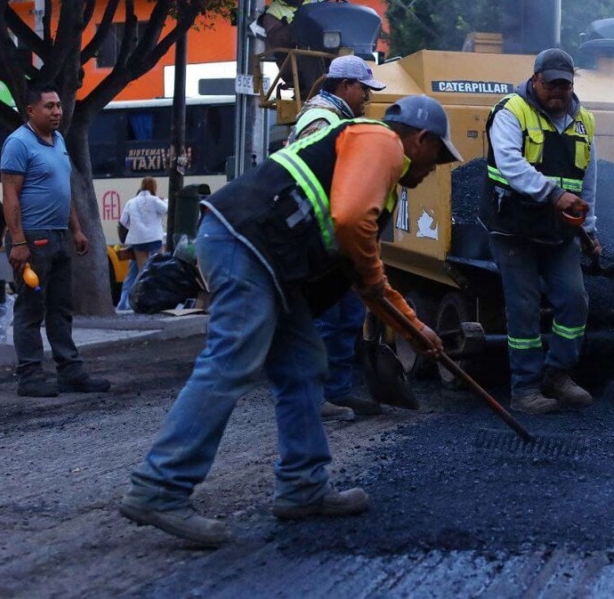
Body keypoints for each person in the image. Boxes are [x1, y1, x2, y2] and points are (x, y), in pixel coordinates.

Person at [120, 95, 460, 547]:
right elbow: (350, 221)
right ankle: (159, 488)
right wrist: (405, 318)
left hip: (269, 257)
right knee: (231, 361)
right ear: (421, 140)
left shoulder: (373, 171)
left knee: (302, 364)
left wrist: (415, 329)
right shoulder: (381, 142)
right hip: (247, 242)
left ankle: (303, 487)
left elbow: (361, 276)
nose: (435, 169)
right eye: (438, 157)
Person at [480, 48, 600, 415]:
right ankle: (525, 388)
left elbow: (588, 181)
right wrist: (554, 194)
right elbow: (510, 165)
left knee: (575, 300)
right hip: (513, 227)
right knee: (524, 307)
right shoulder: (510, 111)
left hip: (560, 230)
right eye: (551, 85)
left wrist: (590, 230)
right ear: (535, 79)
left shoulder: (584, 121)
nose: (558, 92)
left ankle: (558, 375)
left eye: (564, 85)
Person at [291, 55, 388, 422]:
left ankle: (338, 391)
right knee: (326, 319)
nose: (366, 96)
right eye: (363, 89)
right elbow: (317, 181)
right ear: (344, 86)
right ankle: (314, 398)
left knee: (348, 315)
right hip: (320, 236)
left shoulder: (338, 119)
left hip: (337, 236)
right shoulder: (321, 121)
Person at [0, 84, 111, 398]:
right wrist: (19, 241)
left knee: (61, 308)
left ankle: (70, 372)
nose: (57, 112)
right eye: (49, 106)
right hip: (33, 240)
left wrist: (76, 230)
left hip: (59, 237)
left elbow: (65, 192)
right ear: (31, 110)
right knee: (31, 308)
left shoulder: (59, 140)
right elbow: (9, 195)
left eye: (59, 106)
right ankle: (30, 376)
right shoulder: (18, 143)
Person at [119, 177, 168, 273]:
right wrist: (164, 200)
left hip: (138, 241)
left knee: (143, 271)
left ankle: (145, 286)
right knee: (158, 269)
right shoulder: (155, 200)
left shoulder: (131, 202)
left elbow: (123, 221)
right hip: (155, 240)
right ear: (154, 187)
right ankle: (157, 286)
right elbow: (166, 210)